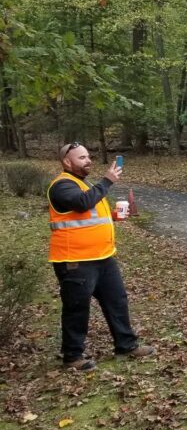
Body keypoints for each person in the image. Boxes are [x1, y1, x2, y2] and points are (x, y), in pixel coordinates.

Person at [48, 143, 156, 372]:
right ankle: (72, 356)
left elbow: (90, 212)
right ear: (67, 162)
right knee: (77, 307)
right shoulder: (61, 186)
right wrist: (107, 180)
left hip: (103, 257)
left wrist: (114, 216)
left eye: (88, 156)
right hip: (75, 260)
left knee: (117, 300)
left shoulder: (83, 183)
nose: (88, 160)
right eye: (81, 157)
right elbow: (82, 203)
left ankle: (126, 345)